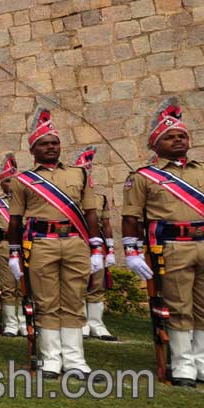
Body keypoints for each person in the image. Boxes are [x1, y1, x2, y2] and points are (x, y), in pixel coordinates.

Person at [121, 97, 204, 389]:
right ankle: (184, 363)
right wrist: (132, 252)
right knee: (178, 306)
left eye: (181, 135)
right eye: (169, 137)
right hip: (173, 247)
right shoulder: (144, 177)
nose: (177, 140)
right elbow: (132, 216)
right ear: (155, 144)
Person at [7, 108, 103, 380]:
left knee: (74, 301)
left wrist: (97, 248)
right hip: (41, 243)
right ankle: (51, 358)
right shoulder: (22, 180)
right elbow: (15, 219)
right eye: (44, 144)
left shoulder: (80, 175)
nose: (51, 147)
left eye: (55, 143)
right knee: (46, 301)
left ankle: (75, 359)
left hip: (74, 241)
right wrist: (14, 254)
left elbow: (90, 213)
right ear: (33, 150)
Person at [72, 146, 118, 342]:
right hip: (77, 243)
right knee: (78, 283)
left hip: (97, 244)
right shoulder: (70, 199)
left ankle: (97, 323)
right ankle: (81, 322)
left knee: (97, 284)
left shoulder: (101, 198)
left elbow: (106, 224)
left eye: (89, 171)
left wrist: (111, 249)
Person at [0, 153, 25, 337]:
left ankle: (25, 321)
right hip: (4, 245)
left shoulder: (27, 200)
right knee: (9, 285)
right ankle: (11, 323)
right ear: (1, 183)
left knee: (25, 286)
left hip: (26, 246)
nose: (11, 184)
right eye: (8, 181)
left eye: (14, 180)